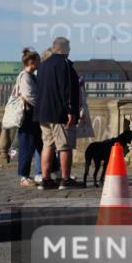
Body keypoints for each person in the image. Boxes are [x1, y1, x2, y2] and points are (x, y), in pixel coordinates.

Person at [36, 37, 83, 190]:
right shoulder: (64, 64)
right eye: (69, 47)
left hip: (43, 112)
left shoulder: (43, 65)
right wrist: (70, 110)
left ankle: (46, 179)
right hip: (59, 112)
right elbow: (67, 90)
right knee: (64, 146)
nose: (70, 50)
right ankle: (65, 179)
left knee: (47, 145)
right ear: (65, 49)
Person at [15, 49, 43, 186]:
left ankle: (51, 171)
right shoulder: (25, 76)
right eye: (38, 60)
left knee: (41, 144)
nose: (40, 63)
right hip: (28, 116)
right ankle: (23, 176)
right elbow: (29, 96)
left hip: (34, 115)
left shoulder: (32, 76)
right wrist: (42, 106)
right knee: (27, 145)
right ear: (32, 62)